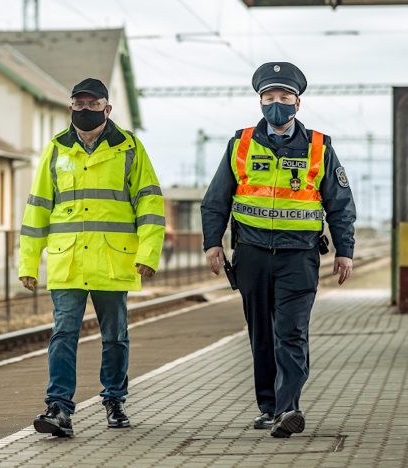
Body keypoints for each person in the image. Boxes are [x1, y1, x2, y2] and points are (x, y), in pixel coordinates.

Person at [201, 62, 356, 438]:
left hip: (298, 255)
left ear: (297, 104)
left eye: (284, 98)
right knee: (261, 335)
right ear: (259, 102)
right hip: (251, 254)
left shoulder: (320, 146)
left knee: (291, 332)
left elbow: (339, 202)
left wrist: (344, 249)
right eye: (269, 98)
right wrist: (212, 242)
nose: (277, 104)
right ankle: (268, 407)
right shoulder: (239, 143)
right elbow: (216, 200)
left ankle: (289, 408)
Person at [18, 78, 165, 437]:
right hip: (68, 260)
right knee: (62, 334)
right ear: (70, 107)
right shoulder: (56, 149)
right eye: (78, 105)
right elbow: (38, 207)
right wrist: (27, 262)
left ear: (107, 108)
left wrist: (149, 252)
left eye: (92, 104)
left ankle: (114, 400)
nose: (85, 110)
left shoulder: (129, 148)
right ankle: (58, 408)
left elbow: (149, 202)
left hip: (113, 260)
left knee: (115, 336)